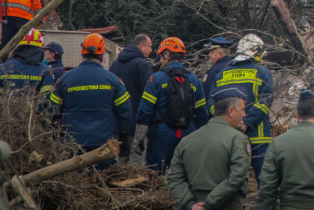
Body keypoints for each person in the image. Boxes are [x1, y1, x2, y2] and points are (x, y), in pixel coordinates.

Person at [167, 88, 251, 210]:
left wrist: (191, 205)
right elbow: (237, 177)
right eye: (242, 109)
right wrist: (209, 205)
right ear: (231, 110)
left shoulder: (188, 140)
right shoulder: (237, 139)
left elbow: (174, 179)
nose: (245, 114)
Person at [49, 33, 132, 165]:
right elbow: (125, 114)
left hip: (72, 144)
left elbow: (52, 113)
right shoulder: (114, 81)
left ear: (82, 51)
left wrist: (55, 139)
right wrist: (125, 141)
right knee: (102, 182)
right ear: (102, 53)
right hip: (104, 146)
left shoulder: (64, 80)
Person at [137, 37, 209, 173]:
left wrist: (139, 139)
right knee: (185, 175)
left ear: (167, 55)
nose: (161, 61)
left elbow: (145, 111)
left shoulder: (155, 79)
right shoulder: (194, 80)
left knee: (156, 177)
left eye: (161, 57)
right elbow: (202, 114)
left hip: (161, 136)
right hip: (188, 134)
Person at [211, 32, 274, 181]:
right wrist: (246, 122)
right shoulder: (263, 73)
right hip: (258, 137)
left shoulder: (221, 74)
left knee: (230, 180)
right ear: (256, 52)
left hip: (228, 137)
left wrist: (226, 122)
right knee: (264, 181)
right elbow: (266, 101)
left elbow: (212, 103)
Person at [112, 33, 154, 163]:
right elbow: (149, 95)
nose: (151, 50)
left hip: (117, 122)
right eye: (150, 46)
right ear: (141, 46)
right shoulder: (142, 65)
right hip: (136, 123)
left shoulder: (115, 65)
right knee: (136, 162)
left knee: (118, 161)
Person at [0, 29, 53, 100]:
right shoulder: (46, 71)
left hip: (4, 110)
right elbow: (47, 102)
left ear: (18, 46)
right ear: (40, 48)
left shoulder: (1, 69)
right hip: (33, 110)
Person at [202, 36, 235, 104]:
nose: (209, 55)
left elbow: (206, 93)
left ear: (220, 54)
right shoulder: (235, 66)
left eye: (211, 52)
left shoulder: (214, 70)